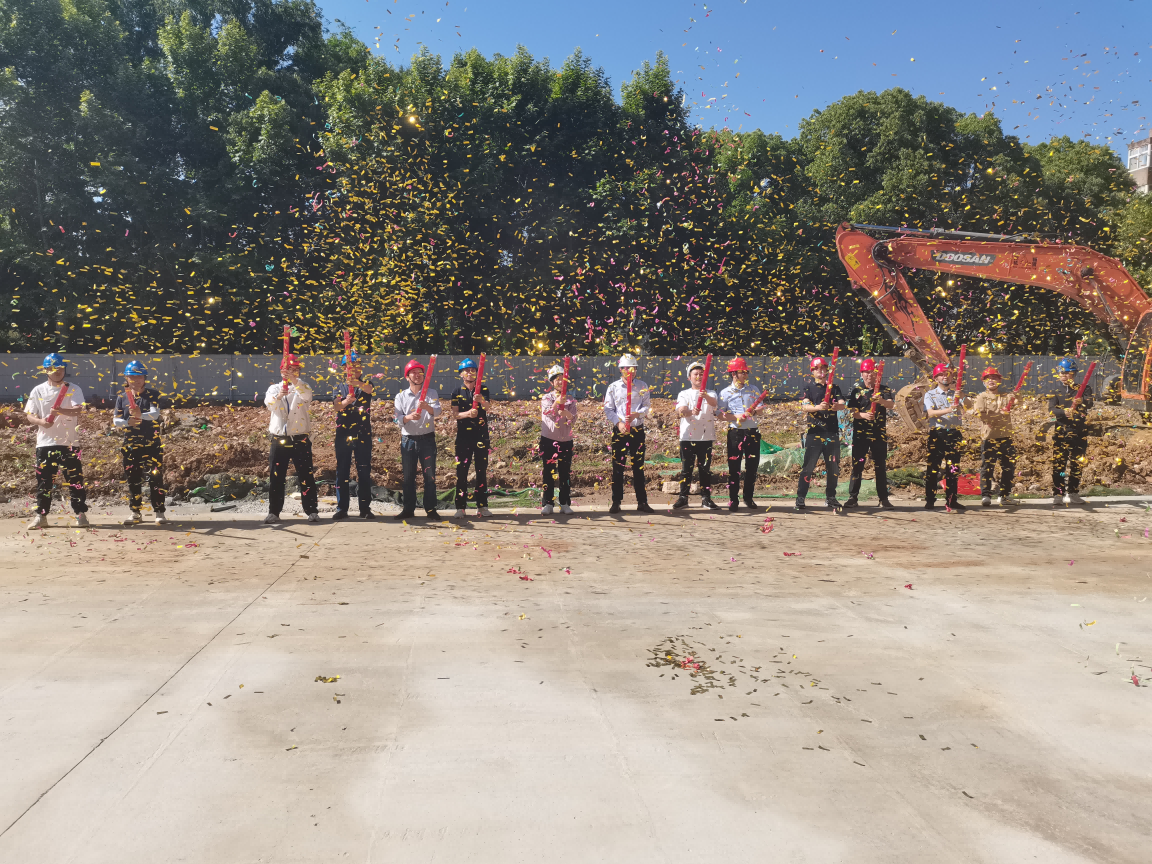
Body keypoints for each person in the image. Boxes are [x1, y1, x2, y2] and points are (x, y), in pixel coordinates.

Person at [23, 353, 89, 529]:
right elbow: (30, 414)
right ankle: (41, 516)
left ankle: (81, 514)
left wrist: (60, 411)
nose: (57, 371)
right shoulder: (38, 390)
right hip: (45, 443)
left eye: (60, 368)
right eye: (53, 368)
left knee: (75, 480)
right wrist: (41, 422)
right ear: (46, 370)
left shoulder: (72, 388)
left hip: (70, 443)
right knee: (44, 482)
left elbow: (79, 409)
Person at [263, 353, 319, 524]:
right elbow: (269, 404)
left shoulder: (302, 386)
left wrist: (294, 381)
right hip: (279, 438)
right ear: (282, 371)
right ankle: (274, 512)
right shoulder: (274, 389)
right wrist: (280, 395)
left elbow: (307, 396)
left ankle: (311, 510)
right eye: (290, 369)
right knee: (276, 476)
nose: (294, 372)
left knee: (306, 474)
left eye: (296, 370)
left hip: (300, 438)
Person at [112, 360, 168, 525]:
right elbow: (116, 420)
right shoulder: (122, 397)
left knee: (155, 477)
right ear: (126, 378)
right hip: (130, 443)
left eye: (139, 377)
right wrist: (127, 422)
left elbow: (155, 414)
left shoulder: (153, 394)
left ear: (144, 378)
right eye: (132, 377)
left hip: (152, 443)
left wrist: (140, 415)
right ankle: (135, 512)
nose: (135, 380)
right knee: (133, 478)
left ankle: (159, 511)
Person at [603, 354, 654, 514]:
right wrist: (618, 423)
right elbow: (608, 409)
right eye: (627, 368)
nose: (630, 371)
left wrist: (637, 414)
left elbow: (647, 406)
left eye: (633, 368)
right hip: (620, 431)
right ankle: (616, 501)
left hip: (637, 430)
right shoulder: (613, 387)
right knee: (618, 467)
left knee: (638, 467)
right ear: (621, 370)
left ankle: (642, 502)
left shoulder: (642, 385)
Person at [844, 358, 896, 510]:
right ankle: (853, 497)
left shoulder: (884, 390)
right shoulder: (856, 391)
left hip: (879, 433)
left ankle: (883, 499)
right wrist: (863, 415)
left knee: (880, 466)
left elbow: (891, 405)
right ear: (862, 374)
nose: (869, 375)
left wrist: (880, 401)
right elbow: (852, 412)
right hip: (861, 434)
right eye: (866, 372)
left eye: (872, 372)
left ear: (877, 374)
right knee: (857, 466)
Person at [795, 357, 846, 512]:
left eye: (823, 368)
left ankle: (831, 497)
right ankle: (801, 497)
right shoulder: (808, 387)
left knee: (833, 467)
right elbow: (805, 406)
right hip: (814, 433)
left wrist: (835, 406)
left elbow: (842, 404)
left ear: (827, 370)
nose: (820, 371)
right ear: (812, 371)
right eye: (817, 368)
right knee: (808, 467)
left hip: (832, 433)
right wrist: (818, 407)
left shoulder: (834, 388)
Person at [393, 359, 442, 519]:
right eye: (413, 373)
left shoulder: (431, 393)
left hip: (427, 440)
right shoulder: (400, 396)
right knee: (408, 477)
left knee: (430, 476)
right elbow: (397, 418)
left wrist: (426, 406)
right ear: (407, 377)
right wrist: (408, 417)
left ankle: (431, 509)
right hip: (408, 440)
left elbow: (438, 411)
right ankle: (408, 509)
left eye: (420, 372)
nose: (417, 375)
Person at [717, 357, 765, 511]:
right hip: (735, 433)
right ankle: (733, 499)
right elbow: (719, 414)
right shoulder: (725, 392)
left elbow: (761, 409)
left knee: (752, 466)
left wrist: (754, 411)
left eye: (746, 372)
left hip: (752, 431)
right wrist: (736, 417)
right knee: (734, 467)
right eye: (742, 372)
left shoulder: (754, 389)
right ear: (733, 374)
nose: (745, 375)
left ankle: (748, 498)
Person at [332, 351, 375, 520]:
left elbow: (369, 390)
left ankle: (365, 508)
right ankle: (342, 508)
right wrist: (346, 402)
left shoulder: (366, 383)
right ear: (344, 369)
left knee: (363, 470)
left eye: (357, 366)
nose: (354, 369)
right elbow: (336, 406)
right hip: (343, 433)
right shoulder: (338, 387)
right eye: (350, 366)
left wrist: (355, 382)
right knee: (342, 470)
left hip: (363, 433)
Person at [673, 359, 720, 510]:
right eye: (695, 374)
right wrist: (690, 412)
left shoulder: (711, 393)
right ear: (689, 377)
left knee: (705, 469)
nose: (698, 376)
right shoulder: (684, 393)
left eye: (701, 374)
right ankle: (683, 498)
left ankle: (706, 498)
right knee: (686, 469)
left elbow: (714, 404)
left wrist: (704, 396)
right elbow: (681, 411)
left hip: (706, 437)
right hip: (688, 437)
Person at [448, 358, 491, 518]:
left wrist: (481, 400)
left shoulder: (483, 389)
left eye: (473, 370)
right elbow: (455, 414)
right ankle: (460, 507)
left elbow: (488, 407)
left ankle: (482, 506)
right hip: (463, 437)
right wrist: (467, 414)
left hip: (481, 436)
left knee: (481, 471)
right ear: (461, 374)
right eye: (466, 371)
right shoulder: (456, 391)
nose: (470, 373)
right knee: (462, 471)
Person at [1048, 358, 1093, 506]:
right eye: (1061, 373)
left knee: (1076, 464)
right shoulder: (1056, 390)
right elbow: (1051, 409)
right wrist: (1063, 412)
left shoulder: (1084, 388)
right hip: (1061, 433)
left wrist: (1082, 401)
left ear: (1073, 373)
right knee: (1060, 465)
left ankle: (1073, 492)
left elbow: (1090, 403)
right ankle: (1058, 493)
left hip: (1079, 432)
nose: (1063, 375)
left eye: (1067, 373)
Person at [922, 362, 967, 512]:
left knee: (953, 469)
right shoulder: (930, 394)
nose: (945, 377)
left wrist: (962, 397)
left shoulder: (956, 394)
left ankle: (952, 500)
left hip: (954, 433)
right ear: (936, 378)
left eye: (947, 374)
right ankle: (930, 500)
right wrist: (949, 409)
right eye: (941, 374)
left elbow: (969, 407)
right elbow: (931, 413)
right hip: (938, 433)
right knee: (933, 468)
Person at [972, 367, 1017, 507]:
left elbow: (1018, 403)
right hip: (989, 438)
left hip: (1006, 437)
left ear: (999, 380)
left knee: (1009, 467)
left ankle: (1005, 495)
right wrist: (999, 415)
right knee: (987, 468)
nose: (991, 380)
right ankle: (986, 495)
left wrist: (1017, 396)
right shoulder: (981, 397)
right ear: (984, 382)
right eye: (988, 378)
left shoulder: (1006, 396)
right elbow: (982, 416)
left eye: (994, 378)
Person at [540, 364, 577, 515]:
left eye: (563, 379)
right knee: (548, 472)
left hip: (566, 440)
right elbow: (548, 412)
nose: (560, 382)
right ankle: (548, 503)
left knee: (564, 473)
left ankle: (564, 503)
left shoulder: (571, 400)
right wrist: (557, 402)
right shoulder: (546, 398)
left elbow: (573, 419)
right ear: (552, 382)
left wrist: (567, 413)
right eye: (557, 379)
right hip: (548, 439)